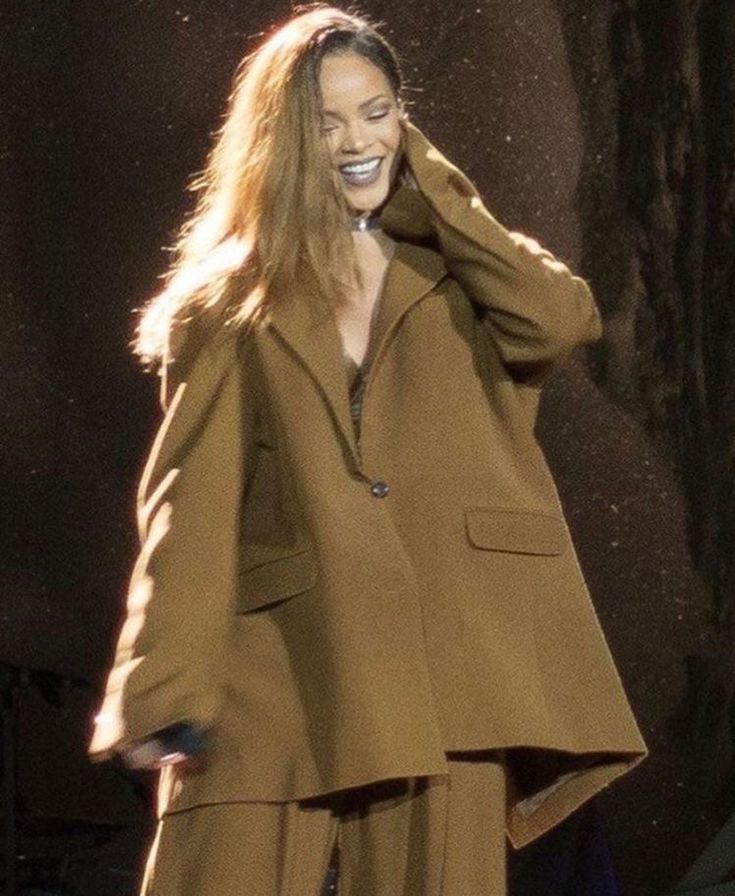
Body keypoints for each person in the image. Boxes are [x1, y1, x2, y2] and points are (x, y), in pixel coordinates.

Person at [89, 6, 647, 895]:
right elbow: (186, 501)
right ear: (282, 138)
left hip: (447, 659)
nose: (357, 139)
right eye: (326, 120)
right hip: (277, 664)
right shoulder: (229, 301)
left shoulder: (464, 275)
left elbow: (558, 318)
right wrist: (165, 688)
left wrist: (433, 190)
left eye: (377, 110)